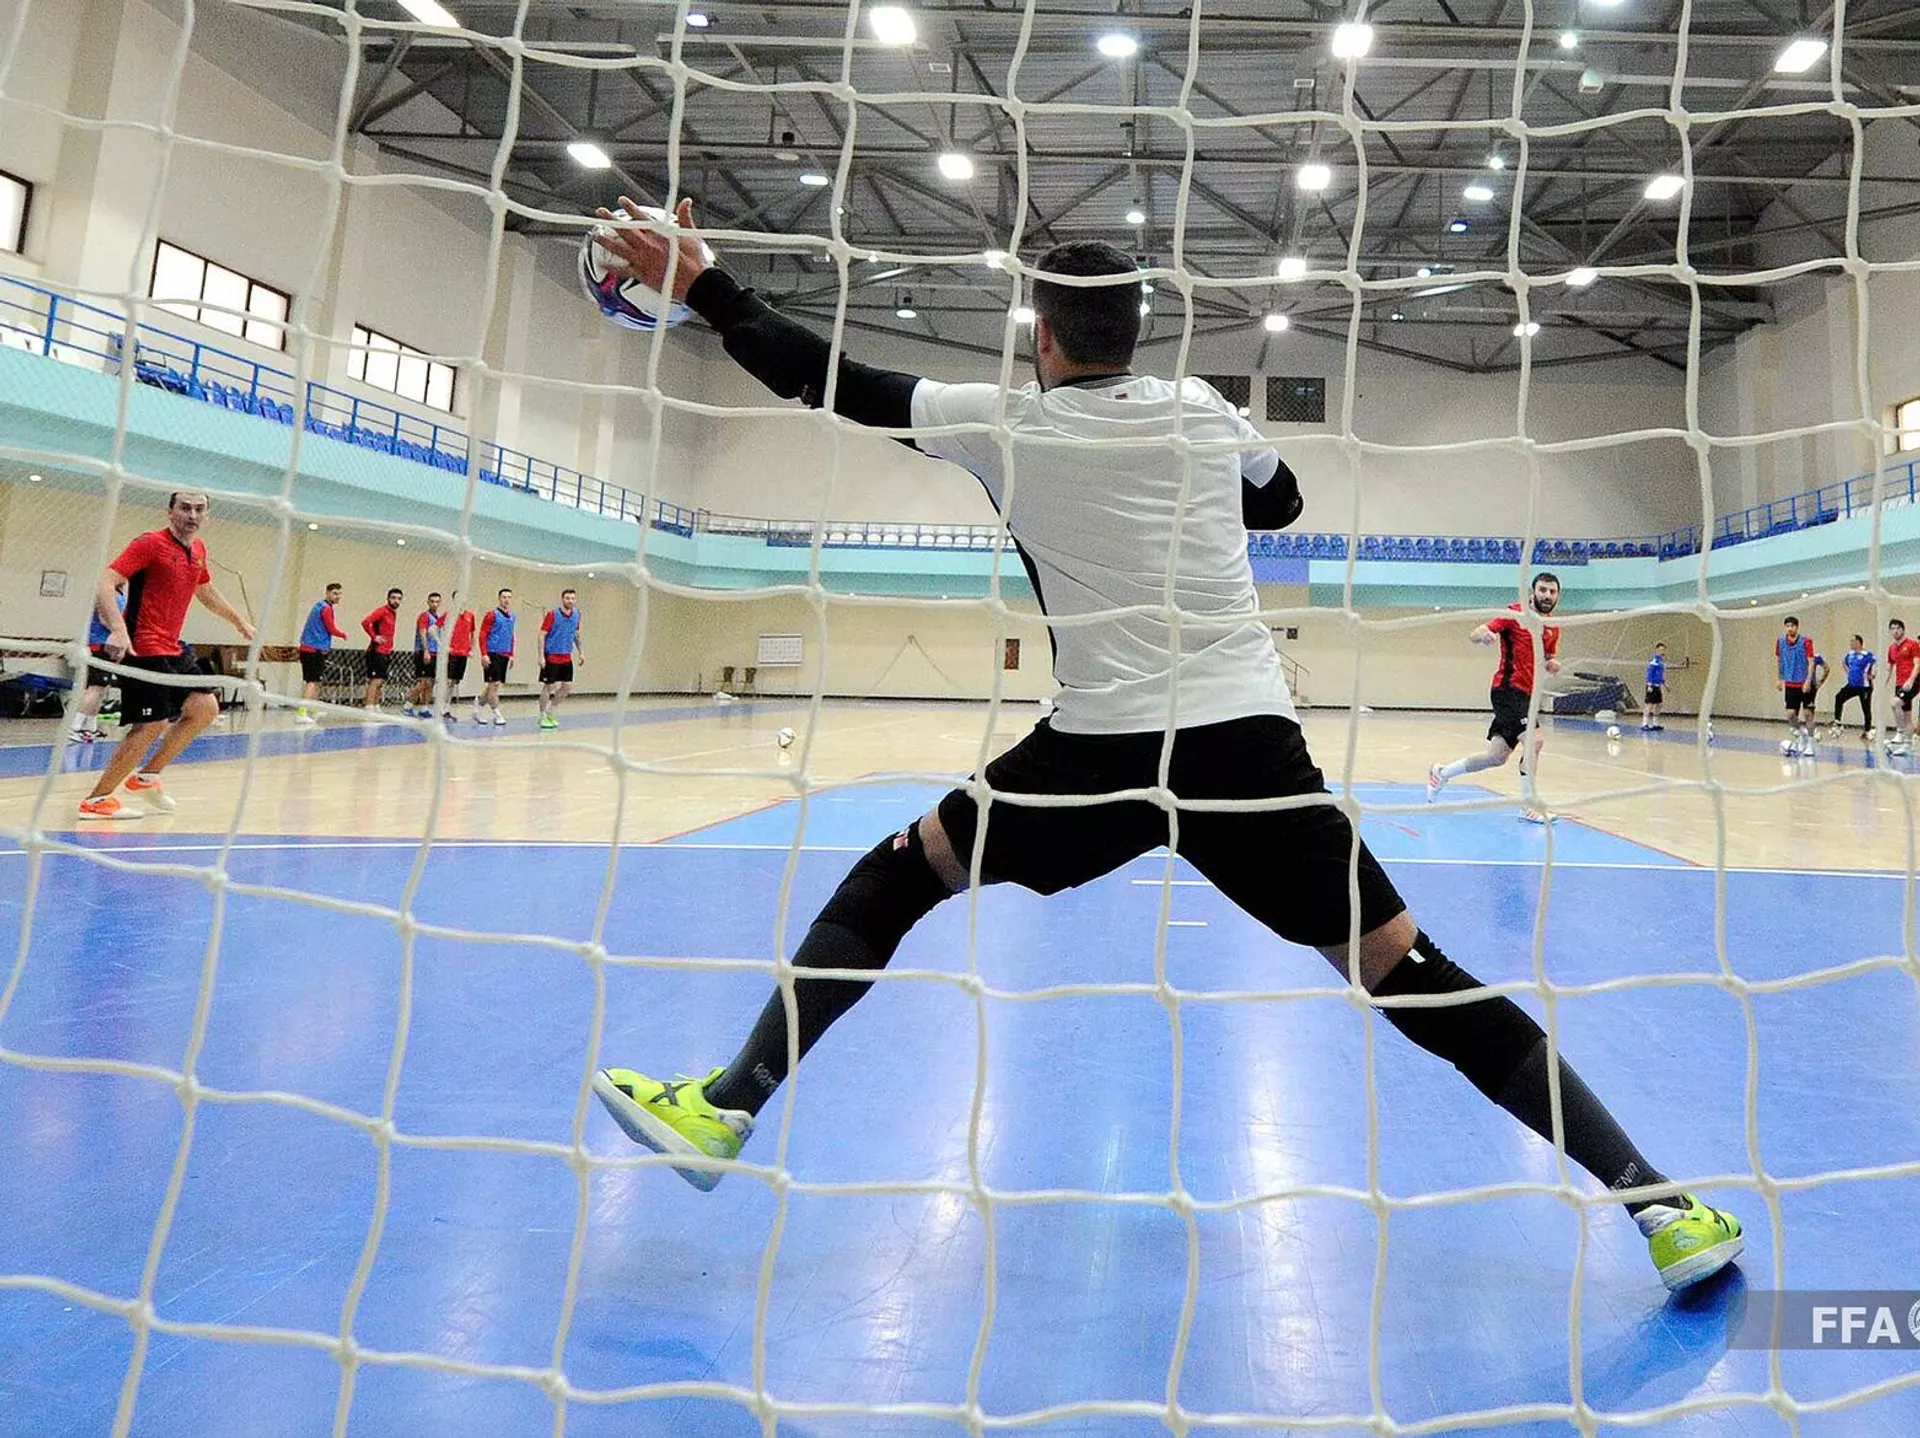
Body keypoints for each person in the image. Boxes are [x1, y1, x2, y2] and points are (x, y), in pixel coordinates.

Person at [581, 199, 1744, 1294]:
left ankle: (729, 1103)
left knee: (899, 875)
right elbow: (1281, 504)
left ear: (1041, 336)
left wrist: (707, 287)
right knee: (1413, 974)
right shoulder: (1202, 411)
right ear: (1136, 333)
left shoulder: (1003, 423)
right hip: (1247, 753)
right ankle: (1660, 1205)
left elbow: (825, 378)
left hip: (1095, 753)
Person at [79, 492, 254, 819]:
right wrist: (117, 629)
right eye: (185, 508)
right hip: (143, 647)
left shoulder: (198, 550)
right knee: (151, 724)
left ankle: (147, 778)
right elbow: (106, 580)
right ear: (170, 512)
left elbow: (204, 590)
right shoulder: (149, 543)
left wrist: (238, 621)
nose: (192, 515)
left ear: (207, 515)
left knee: (205, 708)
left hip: (173, 647)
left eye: (199, 509)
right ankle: (97, 800)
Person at [1427, 573, 1563, 823]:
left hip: (1527, 695)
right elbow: (1476, 632)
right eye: (1542, 590)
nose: (1547, 595)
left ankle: (1442, 773)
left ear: (1557, 596)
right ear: (1532, 592)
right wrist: (1484, 635)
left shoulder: (1553, 626)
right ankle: (1528, 806)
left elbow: (1547, 656)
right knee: (1535, 741)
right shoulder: (1514, 614)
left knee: (1496, 757)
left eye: (1552, 592)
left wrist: (1552, 664)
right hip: (1507, 690)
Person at [68, 582, 126, 743]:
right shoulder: (105, 593)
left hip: (110, 646)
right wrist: (121, 632)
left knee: (101, 689)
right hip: (99, 644)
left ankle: (90, 727)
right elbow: (104, 618)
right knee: (95, 687)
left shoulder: (121, 596)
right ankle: (74, 727)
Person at [295, 581, 346, 725]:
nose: (337, 596)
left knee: (316, 681)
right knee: (312, 682)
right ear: (327, 593)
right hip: (313, 649)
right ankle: (301, 712)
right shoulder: (326, 608)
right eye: (335, 593)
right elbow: (331, 628)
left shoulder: (319, 606)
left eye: (339, 594)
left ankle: (314, 708)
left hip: (309, 648)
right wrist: (342, 634)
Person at [537, 588, 583, 731]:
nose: (570, 601)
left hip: (566, 656)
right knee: (548, 686)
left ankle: (551, 711)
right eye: (567, 598)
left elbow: (575, 634)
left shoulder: (577, 615)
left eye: (572, 598)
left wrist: (581, 652)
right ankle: (542, 715)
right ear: (562, 599)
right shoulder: (552, 614)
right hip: (551, 656)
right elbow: (542, 635)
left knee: (567, 686)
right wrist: (541, 656)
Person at [1775, 617, 1815, 756]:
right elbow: (1779, 661)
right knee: (1791, 714)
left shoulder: (1806, 641)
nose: (1789, 628)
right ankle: (1800, 736)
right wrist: (1779, 678)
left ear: (1797, 627)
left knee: (1808, 714)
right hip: (1790, 683)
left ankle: (1810, 744)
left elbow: (1811, 662)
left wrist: (1808, 681)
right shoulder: (1780, 642)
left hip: (1805, 682)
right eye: (1787, 626)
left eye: (1792, 626)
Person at [404, 592, 447, 718]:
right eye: (432, 601)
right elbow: (422, 633)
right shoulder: (424, 616)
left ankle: (424, 708)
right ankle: (407, 706)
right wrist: (426, 650)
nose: (434, 604)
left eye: (437, 602)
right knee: (423, 682)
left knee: (431, 682)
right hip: (424, 652)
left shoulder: (437, 618)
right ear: (428, 602)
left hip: (435, 652)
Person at [476, 587, 514, 726]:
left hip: (504, 654)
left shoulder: (512, 617)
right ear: (499, 598)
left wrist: (511, 654)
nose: (506, 600)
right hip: (492, 653)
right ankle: (497, 714)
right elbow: (482, 634)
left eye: (509, 597)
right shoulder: (492, 615)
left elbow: (511, 636)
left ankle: (478, 706)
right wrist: (484, 654)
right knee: (494, 685)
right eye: (504, 597)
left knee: (493, 685)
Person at [360, 587, 403, 712]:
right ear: (388, 598)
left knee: (381, 681)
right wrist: (374, 637)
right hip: (376, 651)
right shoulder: (382, 611)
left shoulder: (393, 613)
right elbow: (365, 622)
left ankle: (376, 705)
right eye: (393, 598)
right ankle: (369, 707)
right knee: (375, 680)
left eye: (399, 599)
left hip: (386, 651)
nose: (396, 601)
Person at [1830, 635, 1874, 740]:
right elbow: (1844, 663)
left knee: (1866, 708)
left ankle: (1867, 730)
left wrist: (1872, 675)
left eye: (1852, 641)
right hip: (1852, 685)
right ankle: (1838, 722)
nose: (1850, 643)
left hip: (1864, 686)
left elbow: (1875, 665)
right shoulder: (1850, 655)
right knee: (1839, 697)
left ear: (1858, 642)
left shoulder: (1867, 655)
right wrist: (1849, 672)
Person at [1887, 618, 1920, 756]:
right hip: (1899, 683)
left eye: (1898, 628)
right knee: (1907, 715)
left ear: (1903, 630)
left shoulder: (1912, 644)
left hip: (1913, 681)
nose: (1895, 631)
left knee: (1895, 703)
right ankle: (1908, 745)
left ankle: (1900, 732)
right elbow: (1889, 668)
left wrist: (1911, 680)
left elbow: (1917, 664)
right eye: (1892, 628)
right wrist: (1883, 683)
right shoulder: (1892, 648)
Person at [443, 598, 476, 721]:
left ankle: (447, 708)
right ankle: (442, 708)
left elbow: (472, 634)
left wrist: (471, 649)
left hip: (463, 653)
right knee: (449, 681)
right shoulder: (448, 615)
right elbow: (438, 629)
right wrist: (444, 645)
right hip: (452, 652)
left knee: (455, 681)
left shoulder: (470, 615)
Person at [1641, 642, 1667, 732]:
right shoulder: (1654, 661)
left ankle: (1655, 723)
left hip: (1657, 686)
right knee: (1649, 705)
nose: (1662, 651)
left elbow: (1660, 675)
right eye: (1660, 650)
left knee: (1659, 704)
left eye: (1663, 650)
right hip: (1652, 686)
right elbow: (1650, 674)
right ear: (1657, 650)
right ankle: (1644, 724)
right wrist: (1649, 685)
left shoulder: (1661, 662)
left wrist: (1664, 684)